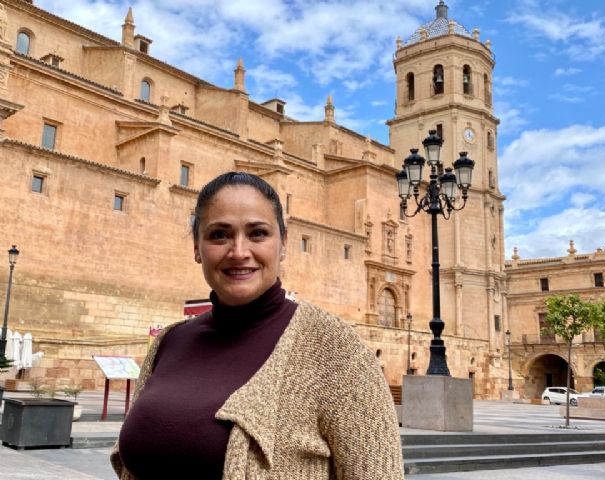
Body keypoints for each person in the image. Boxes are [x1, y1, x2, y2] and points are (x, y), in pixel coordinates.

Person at [110, 172, 404, 479]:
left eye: (258, 233)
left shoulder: (336, 348)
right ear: (197, 248)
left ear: (284, 243)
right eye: (219, 235)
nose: (239, 252)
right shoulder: (168, 342)